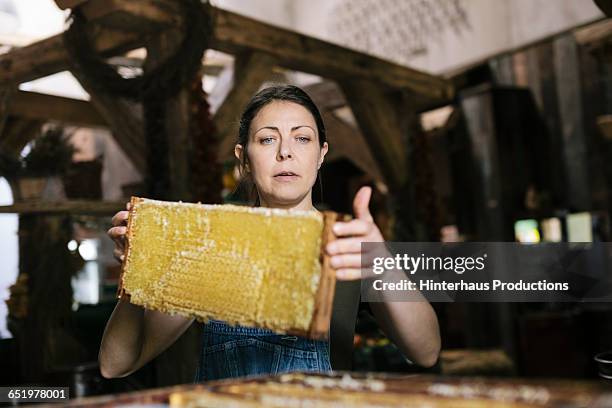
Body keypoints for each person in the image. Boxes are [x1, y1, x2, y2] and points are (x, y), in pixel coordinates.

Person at [101, 85, 440, 382]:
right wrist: (138, 270)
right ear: (243, 159)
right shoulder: (209, 244)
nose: (285, 152)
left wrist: (382, 262)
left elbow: (426, 351)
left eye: (302, 138)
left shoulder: (346, 245)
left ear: (321, 154)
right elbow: (116, 364)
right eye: (267, 139)